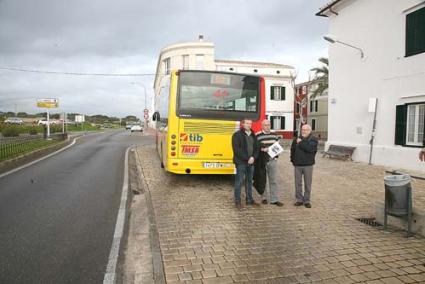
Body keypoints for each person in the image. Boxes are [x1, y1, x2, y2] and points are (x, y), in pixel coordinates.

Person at [232, 119, 260, 209]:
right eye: (247, 123)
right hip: (241, 163)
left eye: (250, 123)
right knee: (239, 182)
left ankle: (249, 200)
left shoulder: (253, 135)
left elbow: (257, 148)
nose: (249, 125)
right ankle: (237, 201)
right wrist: (248, 158)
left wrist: (253, 157)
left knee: (249, 182)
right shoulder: (237, 135)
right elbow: (236, 150)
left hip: (251, 162)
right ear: (242, 124)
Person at [254, 119, 283, 206]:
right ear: (262, 126)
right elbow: (255, 147)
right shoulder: (257, 135)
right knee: (263, 179)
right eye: (265, 125)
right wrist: (262, 149)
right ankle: (264, 198)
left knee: (273, 180)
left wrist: (276, 156)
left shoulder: (274, 135)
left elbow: (278, 146)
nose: (267, 126)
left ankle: (274, 199)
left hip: (272, 160)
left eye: (269, 125)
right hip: (262, 160)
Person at [290, 124, 318, 208]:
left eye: (306, 130)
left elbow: (309, 149)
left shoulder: (313, 139)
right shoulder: (296, 139)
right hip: (297, 165)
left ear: (310, 131)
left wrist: (301, 142)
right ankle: (299, 199)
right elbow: (292, 150)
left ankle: (306, 200)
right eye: (303, 129)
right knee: (298, 183)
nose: (304, 131)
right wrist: (292, 160)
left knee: (307, 184)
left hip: (308, 165)